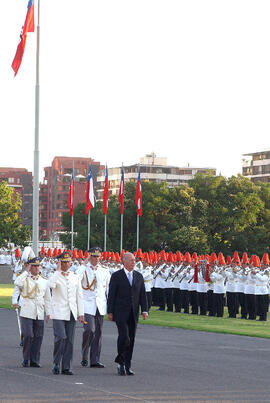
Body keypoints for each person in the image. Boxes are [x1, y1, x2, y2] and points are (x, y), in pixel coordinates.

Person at [107, 252, 148, 376]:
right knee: (124, 337)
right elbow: (111, 295)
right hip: (120, 313)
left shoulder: (139, 276)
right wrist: (110, 311)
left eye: (134, 260)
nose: (133, 262)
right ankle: (121, 362)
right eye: (131, 260)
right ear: (124, 262)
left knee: (132, 339)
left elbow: (142, 295)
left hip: (133, 313)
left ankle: (127, 365)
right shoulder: (116, 276)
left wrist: (145, 310)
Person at [48, 252, 84, 375]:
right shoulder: (55, 275)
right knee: (61, 337)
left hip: (71, 312)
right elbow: (50, 285)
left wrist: (81, 313)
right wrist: (58, 271)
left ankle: (66, 366)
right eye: (63, 262)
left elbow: (79, 296)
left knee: (69, 341)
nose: (66, 264)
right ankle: (56, 362)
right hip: (58, 312)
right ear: (60, 263)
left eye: (67, 262)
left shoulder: (75, 277)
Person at [14, 257, 51, 367]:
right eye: (33, 266)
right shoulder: (25, 279)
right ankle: (26, 358)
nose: (36, 268)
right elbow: (17, 282)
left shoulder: (44, 281)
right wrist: (26, 271)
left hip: (39, 311)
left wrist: (48, 312)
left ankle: (34, 360)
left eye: (37, 266)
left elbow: (47, 298)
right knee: (28, 335)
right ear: (30, 267)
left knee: (38, 336)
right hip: (27, 310)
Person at [77, 247, 110, 368]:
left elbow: (108, 289)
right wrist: (83, 264)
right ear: (89, 256)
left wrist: (110, 306)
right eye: (93, 256)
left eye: (97, 256)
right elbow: (76, 279)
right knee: (89, 329)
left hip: (100, 305)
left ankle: (95, 359)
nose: (96, 258)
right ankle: (85, 354)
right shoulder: (83, 269)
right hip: (86, 305)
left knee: (98, 333)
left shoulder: (104, 270)